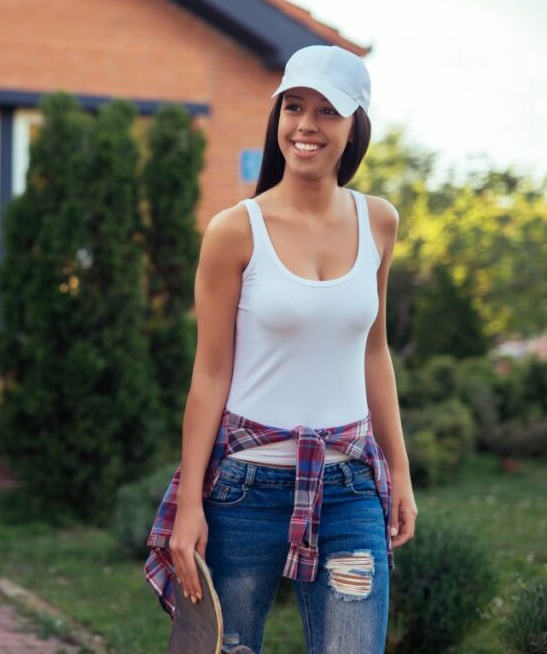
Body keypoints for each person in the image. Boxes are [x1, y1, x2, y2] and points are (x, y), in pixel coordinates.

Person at [144, 44, 419, 653]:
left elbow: (374, 352)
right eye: (294, 107)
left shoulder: (379, 222)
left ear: (355, 128)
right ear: (277, 118)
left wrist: (398, 470)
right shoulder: (235, 230)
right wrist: (191, 504)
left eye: (328, 112)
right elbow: (210, 374)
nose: (306, 126)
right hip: (245, 492)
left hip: (350, 488)